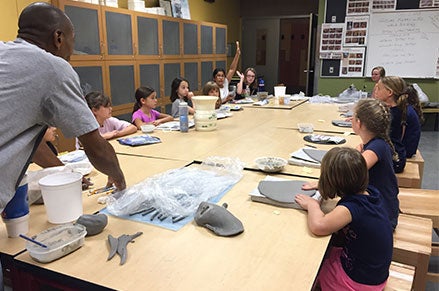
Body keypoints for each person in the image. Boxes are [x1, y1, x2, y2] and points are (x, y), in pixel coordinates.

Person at [0, 3, 126, 214]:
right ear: (58, 38)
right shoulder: (53, 68)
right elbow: (94, 145)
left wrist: (64, 172)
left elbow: (26, 140)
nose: (71, 51)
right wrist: (119, 177)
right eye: (72, 40)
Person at [295, 147, 393, 290]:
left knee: (312, 271)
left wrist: (312, 205)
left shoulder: (351, 208)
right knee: (330, 251)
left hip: (361, 282)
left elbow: (319, 226)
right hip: (375, 273)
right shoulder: (369, 193)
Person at [351, 99, 400, 229]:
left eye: (353, 117)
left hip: (382, 215)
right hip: (381, 206)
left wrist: (322, 184)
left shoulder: (376, 147)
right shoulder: (376, 143)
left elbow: (352, 172)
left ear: (359, 123)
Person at [374, 76, 421, 163]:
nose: (375, 91)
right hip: (400, 151)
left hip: (400, 156)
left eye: (379, 89)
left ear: (389, 92)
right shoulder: (398, 108)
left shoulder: (396, 114)